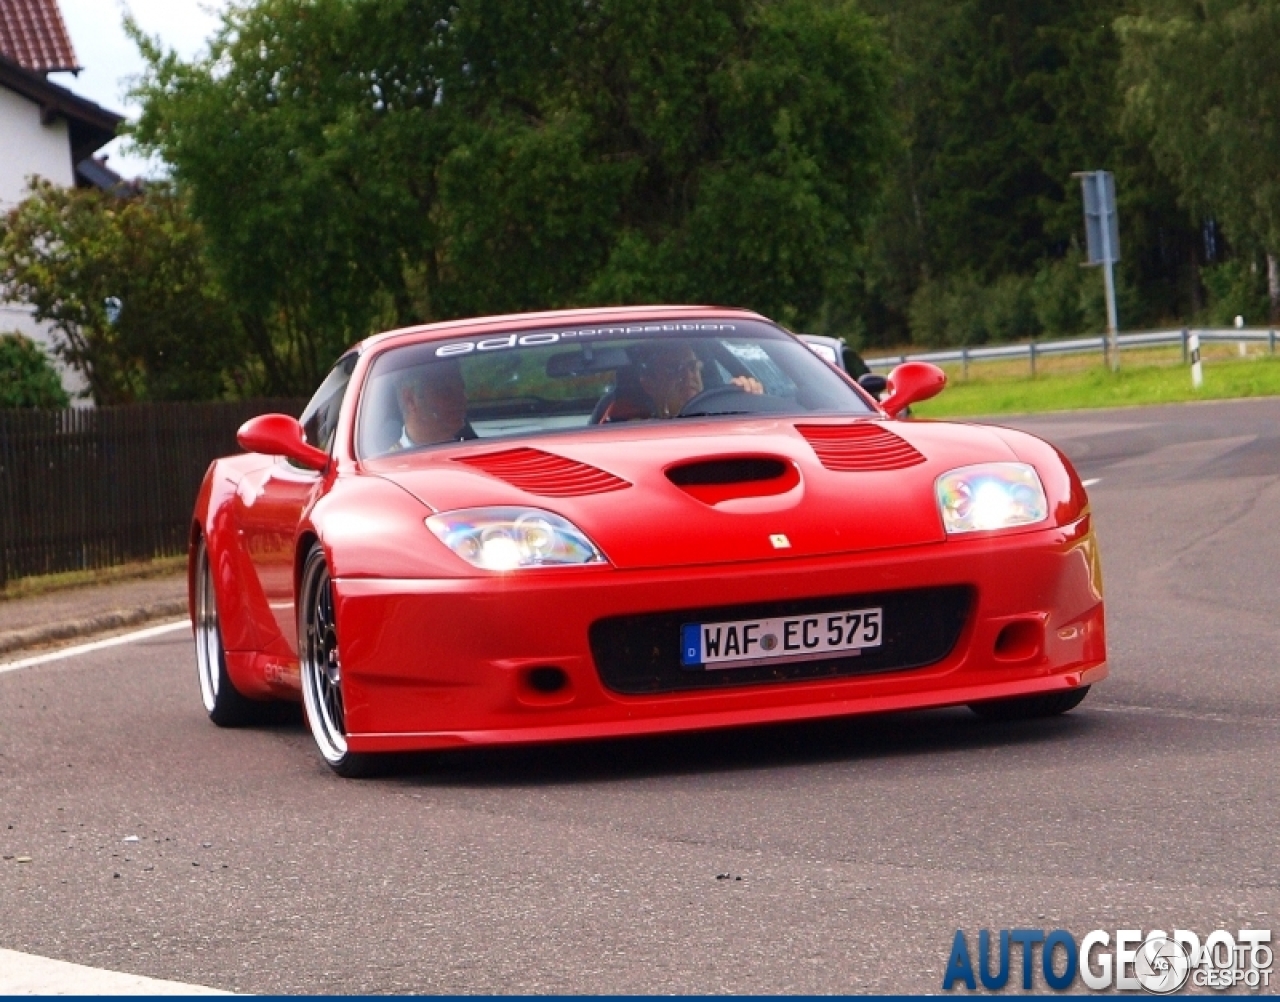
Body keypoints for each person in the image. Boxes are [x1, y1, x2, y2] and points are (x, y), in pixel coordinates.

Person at [601, 341, 764, 421]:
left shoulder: (725, 415)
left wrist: (751, 400)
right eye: (674, 369)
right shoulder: (637, 433)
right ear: (649, 384)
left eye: (692, 367)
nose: (687, 376)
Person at [392, 359, 477, 448]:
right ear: (410, 400)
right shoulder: (390, 461)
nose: (462, 399)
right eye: (445, 391)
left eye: (461, 389)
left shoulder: (470, 452)